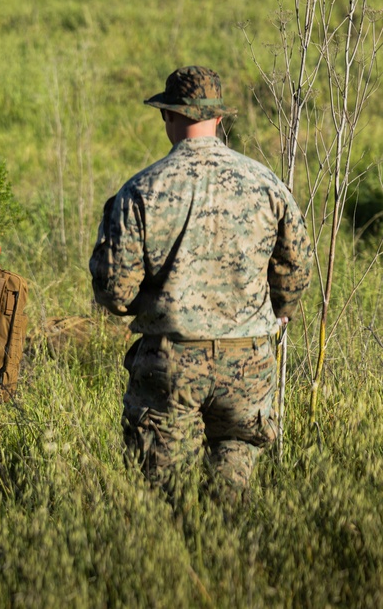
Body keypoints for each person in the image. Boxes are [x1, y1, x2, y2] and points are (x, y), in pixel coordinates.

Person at [89, 66, 312, 502]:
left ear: (167, 116)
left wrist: (149, 302)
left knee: (159, 492)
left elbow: (114, 290)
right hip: (248, 360)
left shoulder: (141, 190)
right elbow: (296, 268)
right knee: (232, 483)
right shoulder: (268, 184)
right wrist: (278, 311)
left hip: (171, 358)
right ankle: (224, 559)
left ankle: (174, 561)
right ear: (220, 119)